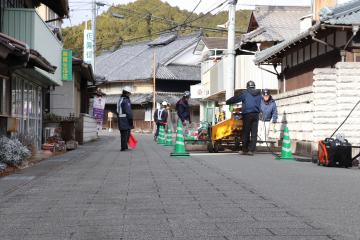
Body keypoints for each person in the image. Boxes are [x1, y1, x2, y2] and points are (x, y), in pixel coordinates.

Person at [226, 80, 262, 156]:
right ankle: (251, 150)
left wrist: (228, 102)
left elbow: (236, 98)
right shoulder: (259, 94)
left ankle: (245, 150)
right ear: (254, 86)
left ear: (247, 86)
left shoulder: (245, 93)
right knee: (254, 133)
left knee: (246, 132)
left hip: (247, 114)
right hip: (256, 114)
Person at [117, 87, 133, 151]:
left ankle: (124, 146)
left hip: (120, 117)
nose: (129, 95)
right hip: (125, 118)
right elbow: (128, 111)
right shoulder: (126, 100)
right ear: (127, 93)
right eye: (129, 93)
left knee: (123, 133)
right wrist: (130, 119)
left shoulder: (120, 99)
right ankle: (123, 147)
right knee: (126, 133)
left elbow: (117, 110)